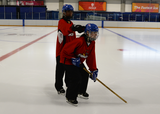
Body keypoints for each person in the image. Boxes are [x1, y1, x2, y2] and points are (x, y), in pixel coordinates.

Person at [60, 23, 99, 105]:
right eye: (93, 33)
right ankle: (70, 97)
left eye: (96, 33)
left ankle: (80, 91)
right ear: (87, 33)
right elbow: (64, 51)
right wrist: (72, 58)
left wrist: (93, 69)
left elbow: (91, 57)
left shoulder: (92, 43)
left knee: (85, 74)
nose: (95, 35)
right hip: (67, 61)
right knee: (76, 77)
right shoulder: (79, 41)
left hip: (78, 62)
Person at [55, 4, 85, 94]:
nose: (70, 13)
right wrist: (74, 28)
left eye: (71, 12)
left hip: (70, 52)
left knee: (69, 70)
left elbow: (72, 37)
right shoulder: (61, 22)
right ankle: (58, 86)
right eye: (68, 12)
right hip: (61, 52)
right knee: (60, 70)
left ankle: (69, 85)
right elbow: (65, 30)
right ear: (64, 13)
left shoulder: (70, 23)